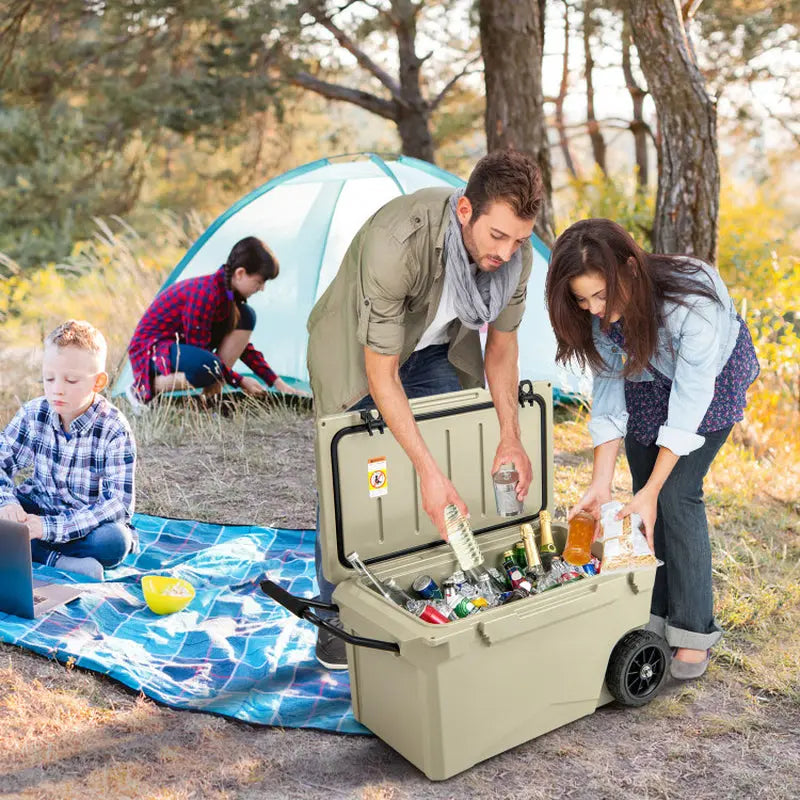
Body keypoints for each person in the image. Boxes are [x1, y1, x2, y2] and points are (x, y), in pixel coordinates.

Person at [307, 149, 543, 669]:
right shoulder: (400, 243)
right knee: (352, 479)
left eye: (519, 239)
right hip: (357, 351)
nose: (506, 252)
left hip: (437, 348)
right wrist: (426, 472)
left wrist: (510, 434)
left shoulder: (515, 258)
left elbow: (502, 347)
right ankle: (334, 619)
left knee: (445, 462)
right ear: (465, 212)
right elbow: (381, 373)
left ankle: (424, 595)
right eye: (496, 236)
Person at [545, 218, 759, 680]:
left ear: (628, 268)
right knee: (643, 495)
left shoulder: (691, 306)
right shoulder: (599, 316)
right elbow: (607, 390)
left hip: (709, 382)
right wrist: (601, 481)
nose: (595, 310)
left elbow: (687, 403)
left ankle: (692, 630)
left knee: (674, 494)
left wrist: (656, 486)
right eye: (582, 300)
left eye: (601, 295)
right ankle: (654, 613)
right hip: (646, 377)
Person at [0, 320, 138, 580]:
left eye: (71, 380)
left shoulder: (114, 428)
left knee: (115, 541)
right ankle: (56, 560)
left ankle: (33, 550)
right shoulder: (34, 413)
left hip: (87, 526)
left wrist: (48, 528)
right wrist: (7, 503)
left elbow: (117, 505)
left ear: (98, 382)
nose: (57, 389)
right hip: (38, 508)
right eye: (49, 378)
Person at [127, 236, 305, 406]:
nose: (262, 288)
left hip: (181, 349)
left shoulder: (229, 298)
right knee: (207, 368)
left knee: (246, 316)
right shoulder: (205, 294)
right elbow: (202, 354)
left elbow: (242, 348)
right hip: (153, 351)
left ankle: (210, 397)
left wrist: (276, 382)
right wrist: (240, 380)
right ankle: (143, 388)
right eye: (259, 281)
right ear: (240, 273)